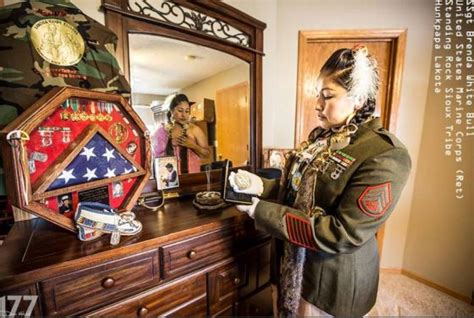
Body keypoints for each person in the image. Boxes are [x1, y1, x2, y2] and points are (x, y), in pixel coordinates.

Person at [229, 46, 411, 317]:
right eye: (318, 95)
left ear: (358, 99)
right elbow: (297, 191)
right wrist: (259, 186)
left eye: (327, 96)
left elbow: (342, 233)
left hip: (329, 282)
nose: (317, 104)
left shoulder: (384, 154)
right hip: (291, 263)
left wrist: (261, 211)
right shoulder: (320, 138)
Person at [152, 94, 210, 174]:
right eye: (180, 110)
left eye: (187, 111)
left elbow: (207, 155)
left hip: (192, 178)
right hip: (170, 179)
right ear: (172, 111)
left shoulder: (195, 130)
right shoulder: (162, 131)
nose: (184, 115)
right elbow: (155, 157)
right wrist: (170, 144)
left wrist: (193, 145)